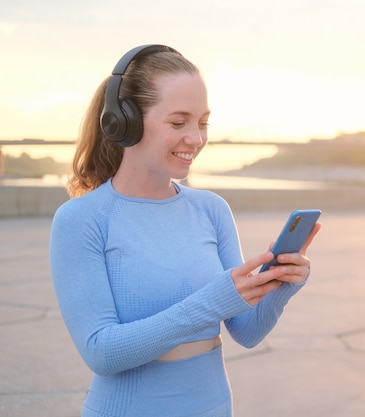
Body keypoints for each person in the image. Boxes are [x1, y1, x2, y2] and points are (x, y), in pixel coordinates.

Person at [49, 44, 321, 417]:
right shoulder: (81, 220)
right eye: (178, 123)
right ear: (124, 122)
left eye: (202, 122)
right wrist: (213, 300)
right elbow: (101, 352)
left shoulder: (211, 209)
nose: (196, 138)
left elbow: (246, 331)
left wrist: (281, 285)